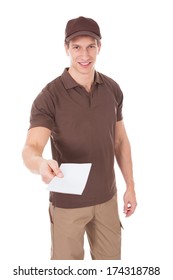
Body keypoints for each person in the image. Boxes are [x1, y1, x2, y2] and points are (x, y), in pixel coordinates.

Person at [22, 16, 137, 260]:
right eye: (76, 47)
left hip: (107, 200)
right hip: (68, 204)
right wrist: (41, 164)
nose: (84, 55)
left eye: (90, 46)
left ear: (99, 47)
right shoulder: (49, 97)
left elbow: (120, 141)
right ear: (66, 48)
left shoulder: (112, 89)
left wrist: (131, 186)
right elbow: (31, 147)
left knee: (111, 270)